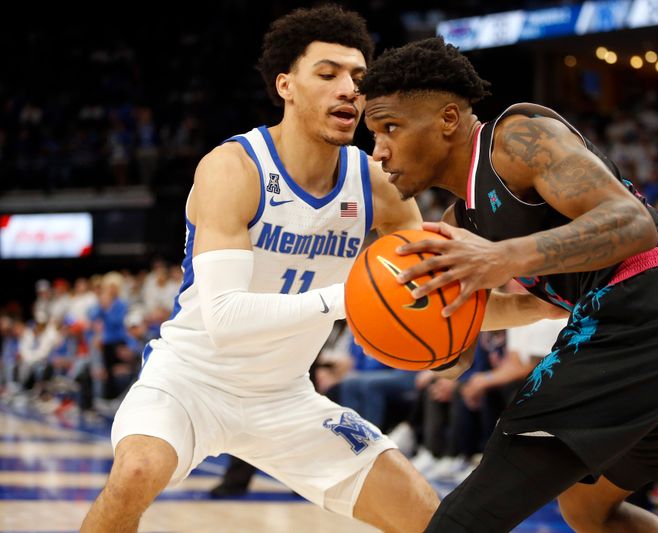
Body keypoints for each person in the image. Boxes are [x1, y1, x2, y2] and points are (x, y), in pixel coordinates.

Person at [358, 37, 658, 532]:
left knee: (463, 520)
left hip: (655, 309)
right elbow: (481, 339)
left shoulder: (515, 139)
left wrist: (503, 258)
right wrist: (423, 334)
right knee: (589, 509)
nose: (380, 151)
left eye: (389, 127)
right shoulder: (463, 224)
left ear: (448, 119)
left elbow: (632, 223)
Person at [80, 7, 440, 533]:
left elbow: (424, 292)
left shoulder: (378, 183)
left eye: (359, 78)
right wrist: (354, 297)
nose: (349, 89)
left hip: (286, 395)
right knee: (134, 472)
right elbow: (225, 316)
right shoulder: (234, 168)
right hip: (189, 382)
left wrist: (529, 302)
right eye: (328, 74)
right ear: (286, 85)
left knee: (430, 517)